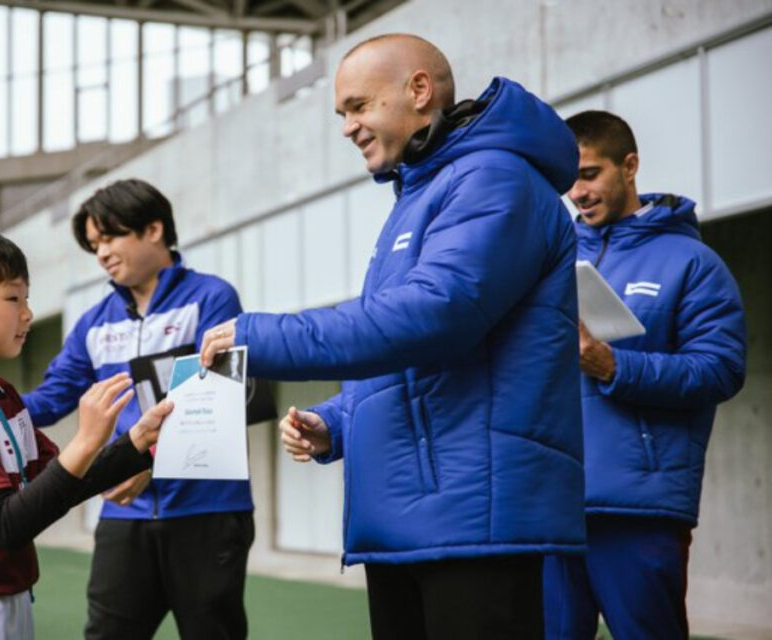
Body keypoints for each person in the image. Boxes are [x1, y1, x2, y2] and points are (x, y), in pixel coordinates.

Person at [200, 33, 585, 638]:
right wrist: (339, 421)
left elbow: (437, 315)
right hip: (412, 519)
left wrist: (261, 338)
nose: (349, 126)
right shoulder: (421, 194)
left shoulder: (495, 178)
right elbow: (407, 352)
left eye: (358, 106)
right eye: (342, 114)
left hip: (473, 519)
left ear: (419, 90)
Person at [0, 224, 172, 640]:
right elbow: (4, 527)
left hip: (3, 597)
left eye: (27, 298)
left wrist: (135, 443)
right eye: (12, 298)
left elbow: (59, 483)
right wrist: (85, 439)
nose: (26, 313)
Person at [542, 111, 747, 640]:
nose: (576, 192)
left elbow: (721, 370)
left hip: (638, 507)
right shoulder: (550, 259)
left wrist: (616, 367)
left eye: (589, 173)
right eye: (569, 179)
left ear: (629, 166)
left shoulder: (692, 264)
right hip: (550, 502)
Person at [22, 179, 254, 640]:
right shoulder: (94, 322)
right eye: (94, 245)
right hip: (121, 515)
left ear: (153, 230)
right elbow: (51, 398)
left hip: (207, 510)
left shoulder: (211, 298)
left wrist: (151, 460)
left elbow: (222, 397)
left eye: (110, 237)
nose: (102, 253)